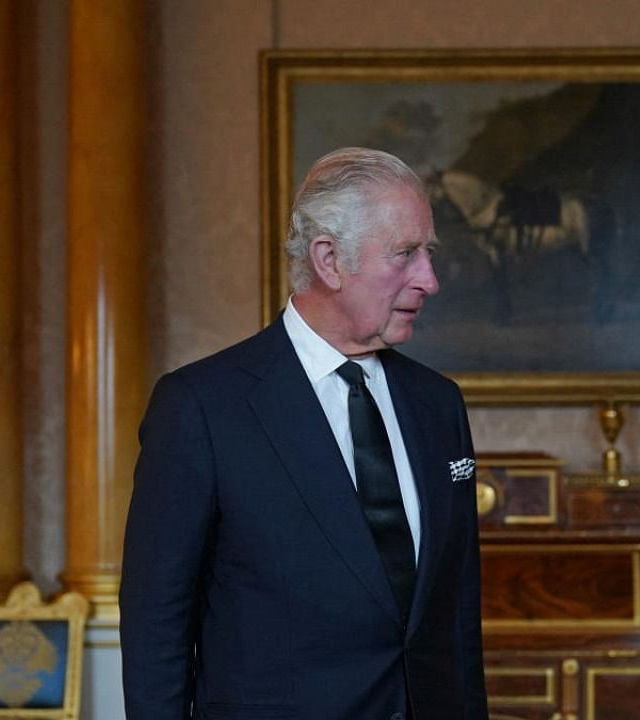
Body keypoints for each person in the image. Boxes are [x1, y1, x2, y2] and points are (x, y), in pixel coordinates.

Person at [119, 147, 488, 720]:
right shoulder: (202, 406)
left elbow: (458, 613)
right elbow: (155, 623)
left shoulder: (438, 404)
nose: (430, 280)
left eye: (429, 253)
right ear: (330, 260)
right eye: (406, 254)